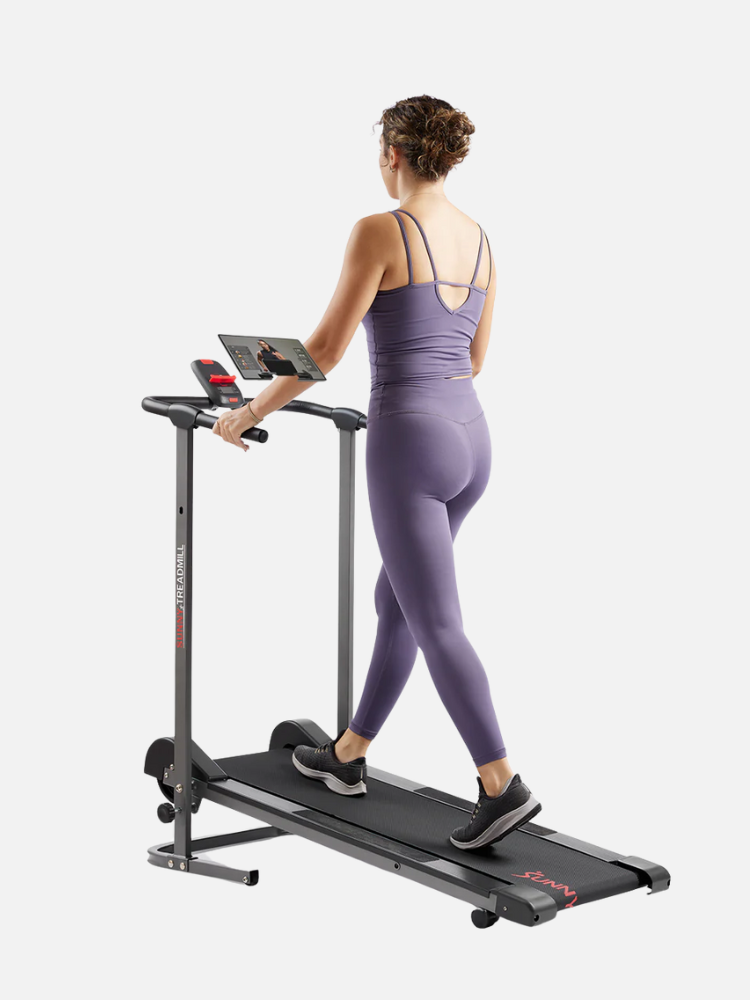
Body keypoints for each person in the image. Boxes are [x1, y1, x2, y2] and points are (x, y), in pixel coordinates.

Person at [213, 94, 541, 850]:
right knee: (396, 599)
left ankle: (501, 784)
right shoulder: (483, 240)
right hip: (470, 437)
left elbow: (324, 350)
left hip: (409, 443)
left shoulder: (379, 230)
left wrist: (248, 412)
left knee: (436, 620)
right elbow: (474, 358)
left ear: (393, 153)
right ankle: (349, 754)